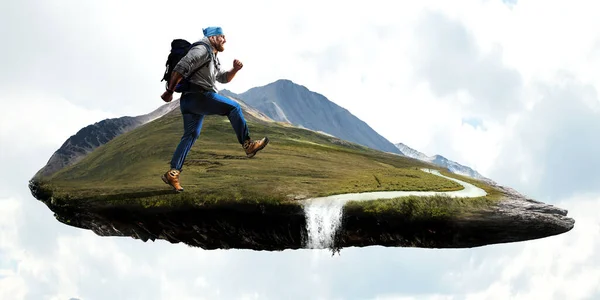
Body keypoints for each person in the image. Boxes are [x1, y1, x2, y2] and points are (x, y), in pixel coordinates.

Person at [160, 26, 269, 192]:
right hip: (200, 96)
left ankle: (172, 173)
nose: (225, 40)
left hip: (190, 102)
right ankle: (248, 145)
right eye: (221, 36)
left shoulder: (212, 55)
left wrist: (235, 69)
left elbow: (223, 78)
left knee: (190, 135)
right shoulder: (201, 50)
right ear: (212, 37)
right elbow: (181, 66)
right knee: (234, 108)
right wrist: (169, 91)